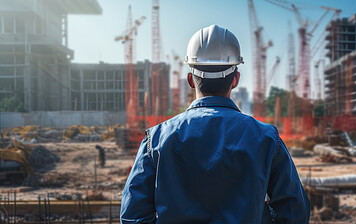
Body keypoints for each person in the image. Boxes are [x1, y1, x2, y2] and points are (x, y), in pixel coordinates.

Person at [120, 25, 310, 224]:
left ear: (190, 80)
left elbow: (133, 217)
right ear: (235, 79)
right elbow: (294, 213)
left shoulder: (157, 139)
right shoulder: (266, 138)